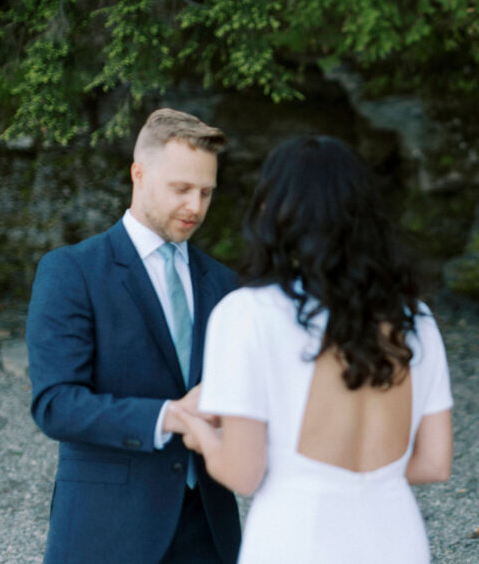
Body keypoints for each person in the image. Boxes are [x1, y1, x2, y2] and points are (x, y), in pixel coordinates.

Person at [175, 135, 453, 563]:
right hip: (397, 537)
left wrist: (196, 429)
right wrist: (371, 480)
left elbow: (243, 474)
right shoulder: (415, 318)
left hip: (299, 537)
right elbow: (435, 462)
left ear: (271, 211)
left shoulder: (249, 313)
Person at [26, 108, 241, 563]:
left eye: (206, 192)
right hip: (106, 529)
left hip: (209, 529)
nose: (195, 207)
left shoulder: (223, 283)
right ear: (138, 174)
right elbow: (55, 404)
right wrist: (169, 416)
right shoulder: (72, 271)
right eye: (181, 189)